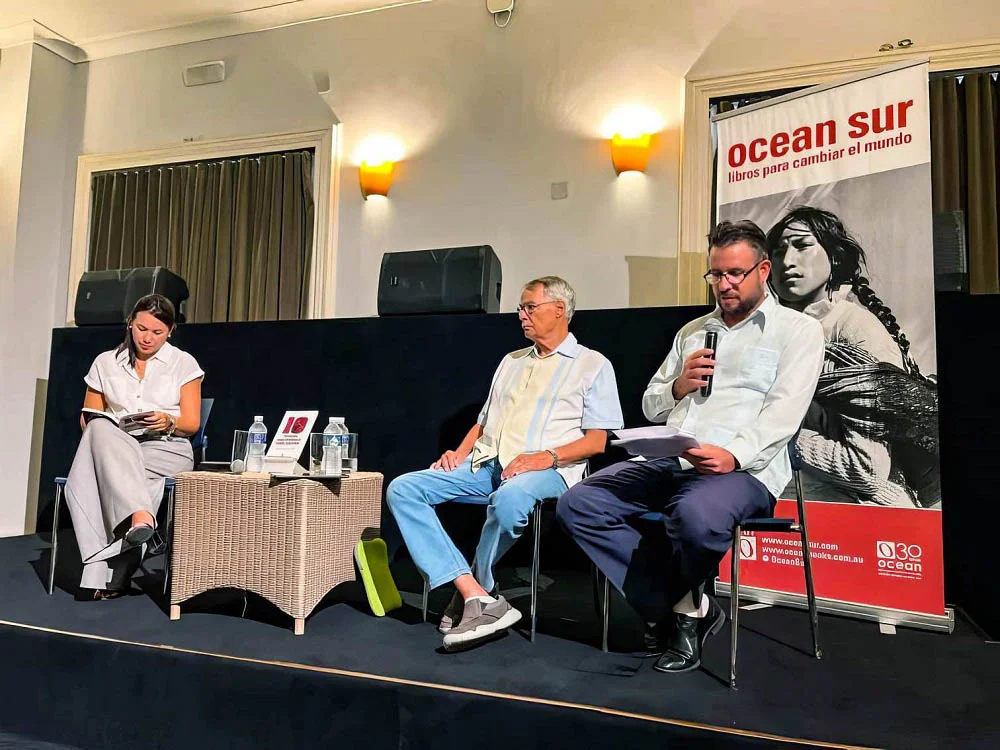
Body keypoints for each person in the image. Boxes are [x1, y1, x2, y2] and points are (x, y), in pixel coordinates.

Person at [556, 221, 824, 673]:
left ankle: (678, 616)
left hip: (745, 470)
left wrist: (733, 455)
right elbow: (651, 403)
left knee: (695, 517)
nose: (724, 284)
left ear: (763, 270)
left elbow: (784, 414)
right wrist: (678, 386)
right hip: (674, 459)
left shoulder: (798, 331)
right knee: (579, 503)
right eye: (716, 274)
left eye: (735, 273)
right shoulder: (693, 332)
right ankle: (685, 605)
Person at [386, 276, 624, 651]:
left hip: (550, 471)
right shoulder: (511, 361)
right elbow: (484, 421)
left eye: (530, 307)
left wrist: (546, 457)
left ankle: (477, 591)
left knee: (510, 499)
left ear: (559, 310)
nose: (522, 315)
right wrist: (460, 452)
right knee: (404, 488)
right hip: (490, 464)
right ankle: (473, 591)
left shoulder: (592, 365)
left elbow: (597, 442)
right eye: (520, 309)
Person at [766, 205, 938, 507]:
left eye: (803, 246)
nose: (787, 261)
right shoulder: (770, 333)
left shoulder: (855, 330)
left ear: (834, 258)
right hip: (791, 502)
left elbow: (866, 468)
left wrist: (776, 439)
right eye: (779, 251)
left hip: (861, 512)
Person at [65, 294, 204, 600]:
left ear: (170, 331)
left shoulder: (183, 363)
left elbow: (191, 423)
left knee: (103, 476)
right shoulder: (105, 362)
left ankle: (105, 574)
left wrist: (167, 420)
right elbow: (89, 419)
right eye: (142, 329)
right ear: (130, 324)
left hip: (166, 448)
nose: (148, 338)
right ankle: (141, 517)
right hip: (118, 448)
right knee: (100, 430)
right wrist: (111, 429)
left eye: (157, 332)